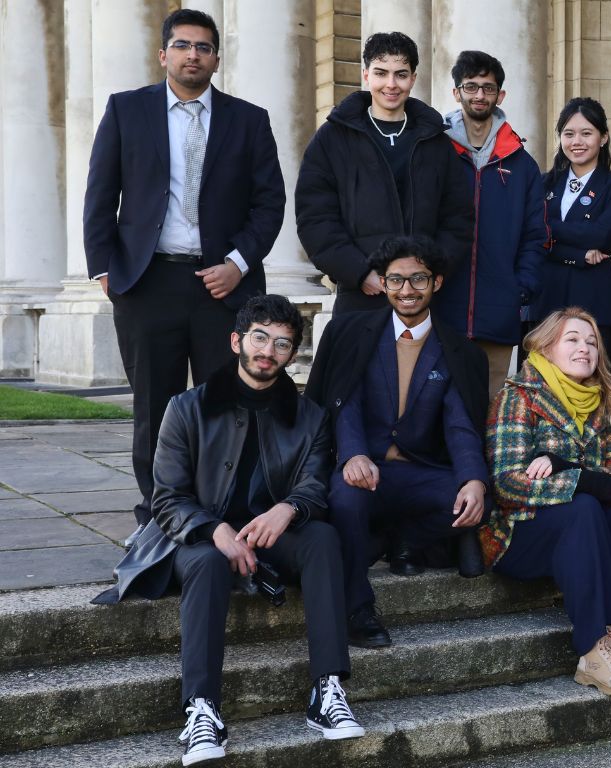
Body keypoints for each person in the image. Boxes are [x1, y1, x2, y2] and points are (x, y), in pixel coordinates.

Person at [94, 295, 362, 765]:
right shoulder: (186, 408)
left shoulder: (311, 417)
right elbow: (167, 498)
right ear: (237, 340)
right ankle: (202, 710)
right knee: (208, 561)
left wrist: (289, 510)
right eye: (260, 337)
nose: (269, 350)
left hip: (271, 536)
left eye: (282, 343)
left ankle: (328, 691)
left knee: (322, 538)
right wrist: (214, 528)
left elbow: (315, 485)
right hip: (195, 537)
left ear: (292, 354)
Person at [83, 8, 286, 539]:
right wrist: (106, 271)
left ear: (217, 58)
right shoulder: (127, 111)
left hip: (223, 287)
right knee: (156, 405)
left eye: (203, 47)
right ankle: (158, 516)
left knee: (229, 402)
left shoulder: (249, 119)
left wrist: (237, 265)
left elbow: (269, 202)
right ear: (163, 53)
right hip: (147, 283)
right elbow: (100, 195)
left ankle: (226, 510)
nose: (192, 54)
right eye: (182, 45)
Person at [304, 236, 490, 650]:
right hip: (362, 466)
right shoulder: (352, 333)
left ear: (436, 283)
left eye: (418, 279)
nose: (407, 290)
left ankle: (402, 538)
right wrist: (351, 454)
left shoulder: (458, 350)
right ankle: (356, 608)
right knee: (347, 500)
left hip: (419, 469)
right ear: (384, 285)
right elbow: (343, 401)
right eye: (396, 280)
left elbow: (461, 425)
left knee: (474, 501)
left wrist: (473, 480)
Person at [483, 308, 611, 698]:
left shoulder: (599, 401)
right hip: (520, 534)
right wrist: (583, 481)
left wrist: (566, 468)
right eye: (572, 339)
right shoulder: (518, 396)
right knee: (585, 506)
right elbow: (505, 483)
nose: (584, 348)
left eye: (591, 342)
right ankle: (595, 649)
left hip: (584, 534)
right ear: (546, 347)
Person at [296, 31, 474, 315]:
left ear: (413, 78)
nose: (391, 84)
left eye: (401, 74)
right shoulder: (333, 138)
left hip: (423, 298)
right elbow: (315, 219)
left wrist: (427, 274)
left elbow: (458, 219)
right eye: (381, 73)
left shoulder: (435, 141)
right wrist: (359, 272)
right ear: (366, 75)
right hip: (360, 296)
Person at [440, 50, 549, 399]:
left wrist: (518, 288)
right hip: (441, 307)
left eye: (488, 88)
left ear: (500, 96)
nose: (479, 95)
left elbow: (537, 236)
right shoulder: (434, 151)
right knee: (437, 408)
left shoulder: (521, 164)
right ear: (457, 92)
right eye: (471, 87)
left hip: (498, 312)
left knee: (492, 412)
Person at [532, 97, 611, 433]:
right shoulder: (542, 184)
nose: (576, 142)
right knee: (543, 379)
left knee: (597, 377)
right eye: (568, 133)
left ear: (603, 137)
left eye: (586, 133)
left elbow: (602, 235)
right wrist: (577, 253)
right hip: (546, 292)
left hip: (594, 294)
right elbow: (532, 232)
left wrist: (550, 231)